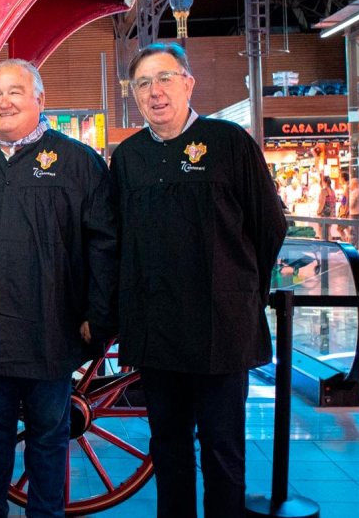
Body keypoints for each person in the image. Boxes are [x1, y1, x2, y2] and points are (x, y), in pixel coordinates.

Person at [0, 58, 117, 518]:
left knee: (48, 438)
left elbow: (106, 244)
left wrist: (99, 313)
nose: (4, 101)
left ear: (40, 99)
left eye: (15, 91)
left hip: (51, 333)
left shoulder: (77, 163)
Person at [110, 42, 286, 518]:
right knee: (168, 448)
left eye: (165, 78)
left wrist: (239, 289)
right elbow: (119, 239)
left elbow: (268, 225)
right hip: (157, 329)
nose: (155, 91)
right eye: (143, 83)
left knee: (222, 448)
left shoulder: (229, 143)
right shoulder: (127, 158)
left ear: (188, 82)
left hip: (220, 328)